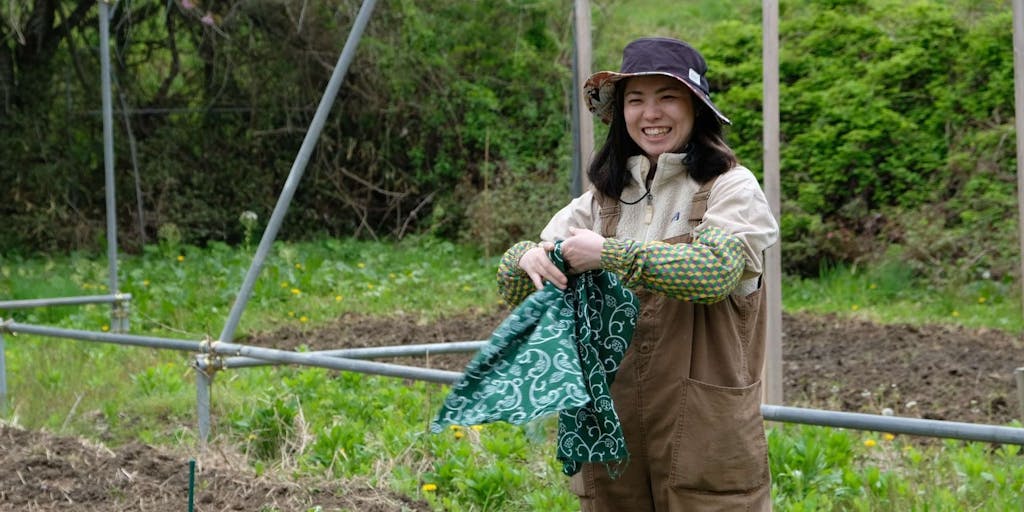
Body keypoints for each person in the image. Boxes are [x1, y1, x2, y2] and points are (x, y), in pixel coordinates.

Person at [496, 37, 779, 511]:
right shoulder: (602, 201)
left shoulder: (730, 188)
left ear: (696, 107)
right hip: (612, 432)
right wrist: (524, 257)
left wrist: (609, 254)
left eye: (667, 97)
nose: (651, 114)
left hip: (704, 434)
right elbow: (517, 290)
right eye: (636, 100)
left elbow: (716, 271)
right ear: (620, 112)